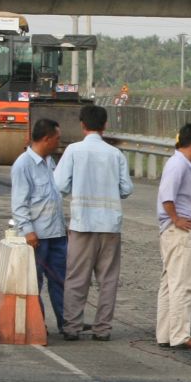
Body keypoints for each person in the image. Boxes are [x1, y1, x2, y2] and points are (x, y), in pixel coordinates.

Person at [53, 104, 134, 341]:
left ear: (82, 125)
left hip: (82, 224)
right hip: (110, 226)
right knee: (108, 280)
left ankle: (72, 326)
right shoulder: (115, 154)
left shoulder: (73, 151)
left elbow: (59, 185)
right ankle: (102, 329)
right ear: (105, 125)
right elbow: (127, 189)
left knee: (77, 278)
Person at [10, 118, 67, 335]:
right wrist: (28, 232)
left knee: (61, 280)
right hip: (37, 237)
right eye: (56, 139)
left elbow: (53, 197)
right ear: (45, 139)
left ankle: (66, 323)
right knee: (34, 283)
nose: (58, 143)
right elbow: (19, 204)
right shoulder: (23, 165)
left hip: (56, 235)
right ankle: (36, 324)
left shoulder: (49, 162)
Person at [156, 123, 191, 350]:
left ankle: (166, 334)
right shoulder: (178, 164)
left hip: (173, 231)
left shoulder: (178, 163)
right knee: (183, 285)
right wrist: (176, 218)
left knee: (169, 284)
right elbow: (167, 196)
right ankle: (180, 335)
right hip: (179, 231)